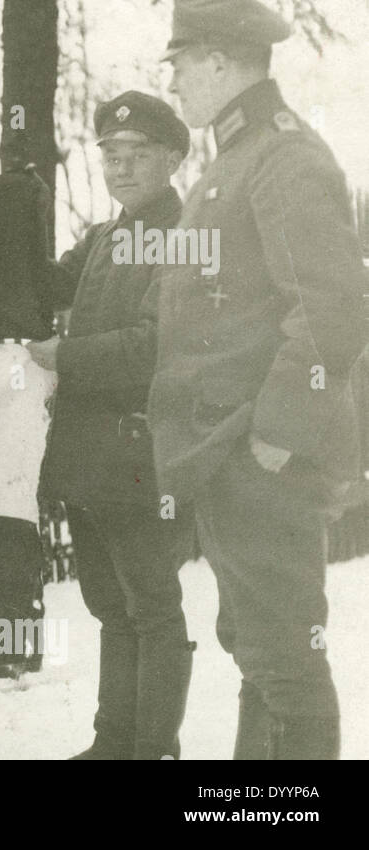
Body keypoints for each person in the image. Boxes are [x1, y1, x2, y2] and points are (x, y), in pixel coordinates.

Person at [151, 0, 367, 759]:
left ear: (218, 61)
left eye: (178, 64)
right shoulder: (232, 160)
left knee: (285, 659)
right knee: (259, 649)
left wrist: (273, 437)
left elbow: (333, 310)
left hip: (258, 453)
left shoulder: (284, 158)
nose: (172, 82)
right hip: (228, 451)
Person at [29, 91, 196, 759]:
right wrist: (14, 217)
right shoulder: (101, 238)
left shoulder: (188, 239)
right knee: (109, 605)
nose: (122, 169)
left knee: (152, 605)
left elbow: (156, 344)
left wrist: (62, 357)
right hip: (87, 458)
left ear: (174, 159)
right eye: (112, 156)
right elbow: (41, 288)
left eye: (138, 156)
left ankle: (153, 751)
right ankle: (113, 744)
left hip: (142, 454)